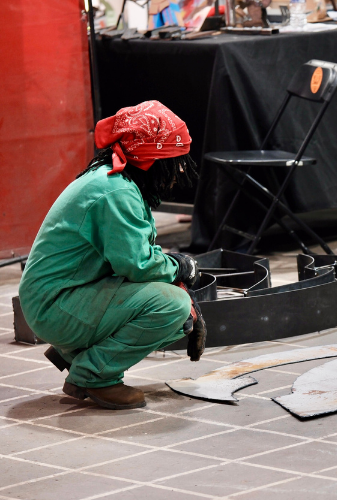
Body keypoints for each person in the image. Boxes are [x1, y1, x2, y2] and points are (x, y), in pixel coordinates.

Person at [18, 101, 207, 410]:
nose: (180, 170)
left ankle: (73, 353)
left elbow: (134, 251)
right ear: (151, 159)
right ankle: (93, 375)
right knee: (172, 307)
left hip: (60, 296)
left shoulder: (116, 180)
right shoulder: (116, 191)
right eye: (174, 161)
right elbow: (138, 264)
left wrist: (181, 287)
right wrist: (179, 268)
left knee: (179, 313)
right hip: (55, 305)